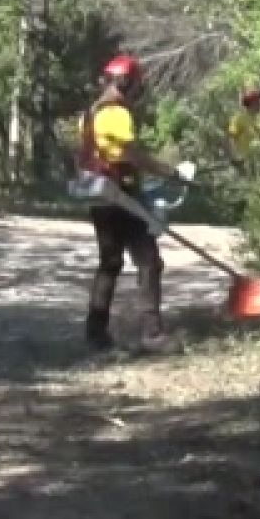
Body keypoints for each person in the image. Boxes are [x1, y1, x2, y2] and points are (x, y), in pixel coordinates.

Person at [74, 53, 196, 354]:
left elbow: (102, 154)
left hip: (100, 196)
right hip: (121, 196)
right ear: (126, 83)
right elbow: (130, 155)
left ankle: (95, 333)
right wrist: (170, 171)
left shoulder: (90, 113)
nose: (137, 93)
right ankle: (152, 334)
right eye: (136, 86)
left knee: (110, 263)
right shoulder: (117, 113)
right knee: (149, 262)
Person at [226, 86, 260, 167]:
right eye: (258, 102)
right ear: (252, 104)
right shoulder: (239, 119)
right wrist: (235, 158)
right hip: (245, 161)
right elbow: (230, 138)